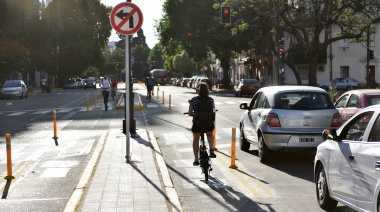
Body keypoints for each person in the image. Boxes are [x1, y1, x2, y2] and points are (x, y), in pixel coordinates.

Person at [188, 82, 216, 166]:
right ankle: (211, 148)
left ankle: (196, 159)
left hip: (197, 124)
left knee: (196, 140)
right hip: (208, 124)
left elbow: (189, 113)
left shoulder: (194, 100)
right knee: (210, 134)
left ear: (197, 90)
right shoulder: (211, 100)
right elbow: (214, 111)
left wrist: (192, 114)